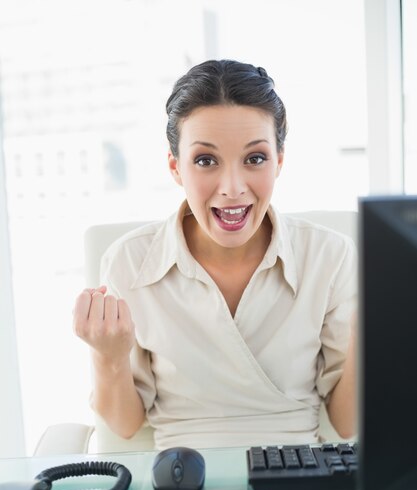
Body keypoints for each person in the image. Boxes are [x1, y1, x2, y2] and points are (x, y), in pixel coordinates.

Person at [73, 59, 357, 450]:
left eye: (255, 158)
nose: (232, 187)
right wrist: (109, 356)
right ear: (175, 167)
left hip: (299, 483)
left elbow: (346, 424)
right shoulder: (129, 262)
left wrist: (372, 333)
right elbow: (124, 425)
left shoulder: (330, 256)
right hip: (184, 485)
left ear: (280, 161)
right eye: (206, 161)